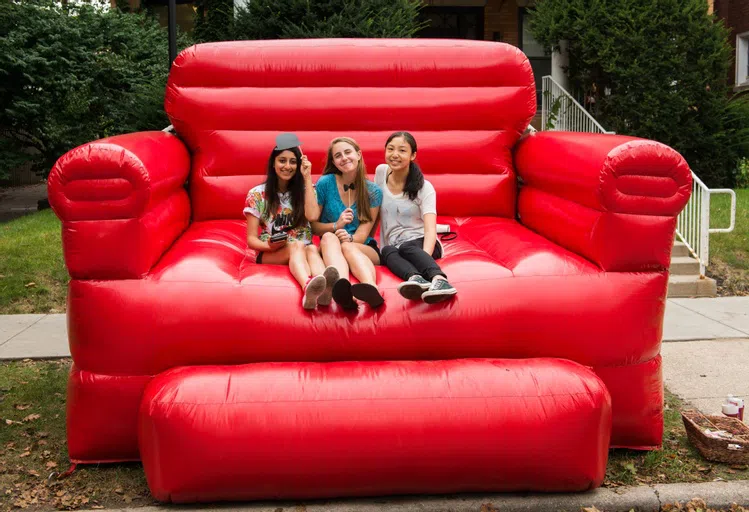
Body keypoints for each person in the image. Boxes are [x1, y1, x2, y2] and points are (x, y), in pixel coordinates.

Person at [244, 134, 337, 310]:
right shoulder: (257, 194)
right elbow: (251, 240)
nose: (287, 166)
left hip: (303, 248)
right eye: (282, 161)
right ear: (273, 163)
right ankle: (307, 286)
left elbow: (312, 216)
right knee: (297, 245)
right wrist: (269, 246)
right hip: (273, 251)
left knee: (309, 247)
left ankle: (324, 288)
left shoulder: (306, 190)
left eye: (293, 162)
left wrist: (307, 177)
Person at [374, 132, 457, 304]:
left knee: (406, 247)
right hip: (396, 247)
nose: (395, 154)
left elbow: (430, 229)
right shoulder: (381, 173)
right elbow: (375, 209)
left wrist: (423, 257)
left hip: (423, 243)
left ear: (413, 155)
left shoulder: (424, 188)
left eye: (402, 150)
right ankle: (416, 279)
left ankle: (440, 280)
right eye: (390, 149)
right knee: (386, 250)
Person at [307, 137, 384, 309]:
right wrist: (337, 225)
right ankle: (344, 290)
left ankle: (371, 287)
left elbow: (363, 235)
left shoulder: (373, 192)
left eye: (348, 152)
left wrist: (348, 239)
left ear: (358, 154)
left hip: (362, 247)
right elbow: (314, 227)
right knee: (328, 236)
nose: (344, 158)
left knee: (347, 247)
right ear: (334, 162)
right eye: (338, 155)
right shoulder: (326, 183)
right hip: (330, 247)